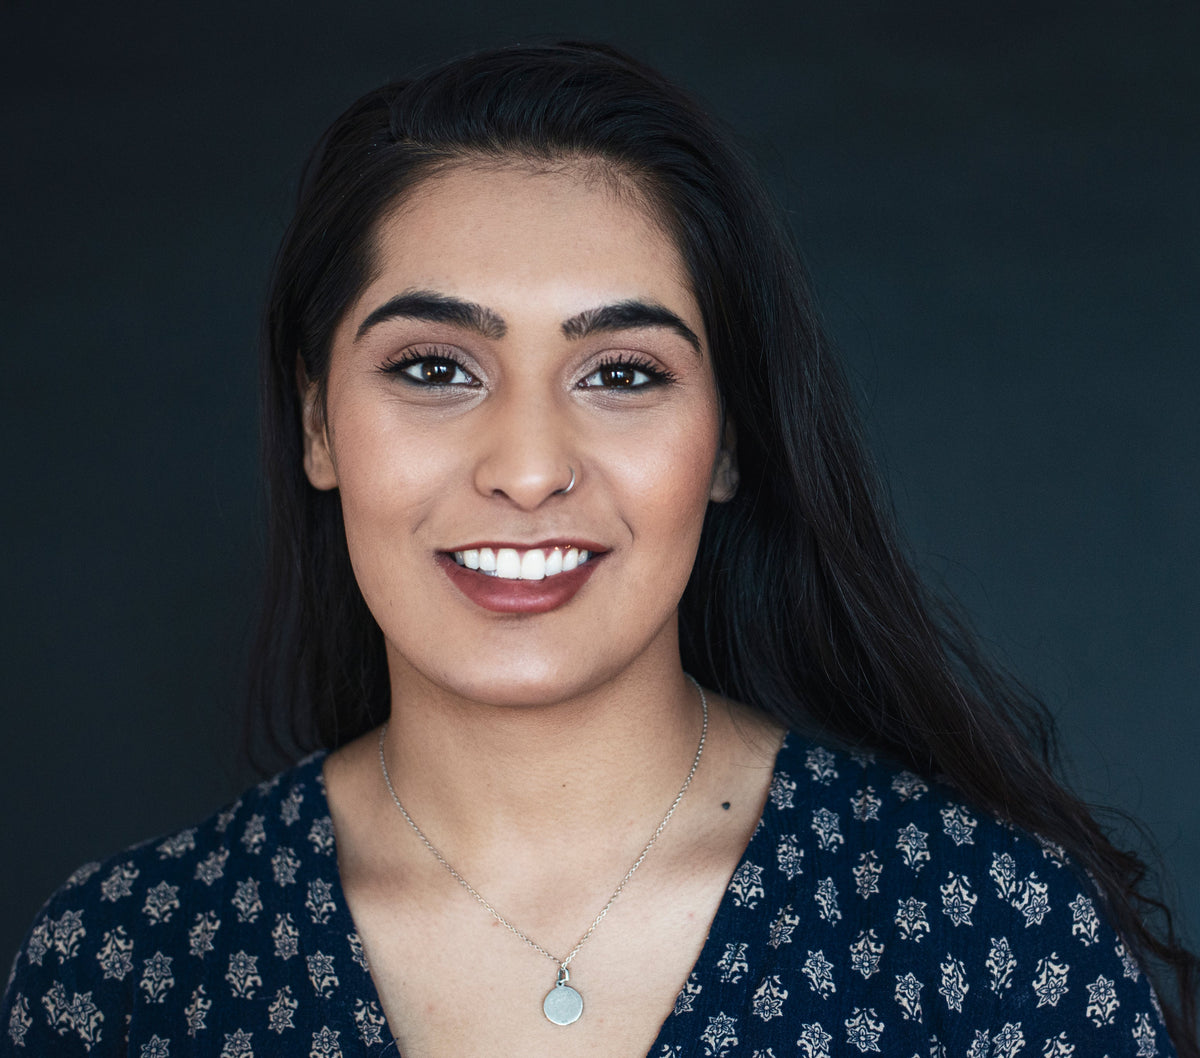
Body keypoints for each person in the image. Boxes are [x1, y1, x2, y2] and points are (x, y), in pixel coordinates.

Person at [3, 41, 1195, 1057]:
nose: (527, 467)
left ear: (729, 442)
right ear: (318, 422)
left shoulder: (985, 937)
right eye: (434, 368)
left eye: (622, 373)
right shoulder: (121, 973)